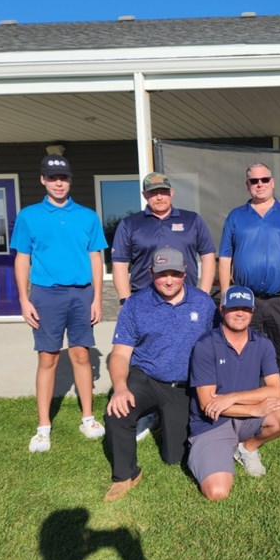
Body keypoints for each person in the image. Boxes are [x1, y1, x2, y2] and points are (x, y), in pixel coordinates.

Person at [102, 248, 217, 502]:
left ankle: (160, 421)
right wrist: (120, 388)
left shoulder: (204, 303)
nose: (168, 280)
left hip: (184, 386)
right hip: (147, 378)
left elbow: (218, 345)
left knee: (174, 456)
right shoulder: (135, 304)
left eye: (175, 274)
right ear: (151, 272)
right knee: (116, 411)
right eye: (162, 273)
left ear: (185, 273)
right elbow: (120, 354)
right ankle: (125, 475)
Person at [12, 154, 108, 453]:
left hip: (81, 295)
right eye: (52, 178)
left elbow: (96, 257)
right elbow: (22, 258)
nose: (58, 183)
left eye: (63, 178)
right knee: (48, 358)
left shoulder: (87, 216)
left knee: (81, 354)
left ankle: (88, 418)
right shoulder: (29, 216)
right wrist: (24, 298)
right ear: (42, 180)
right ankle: (43, 427)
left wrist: (96, 298)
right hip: (46, 295)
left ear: (69, 180)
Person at [111, 171, 217, 440]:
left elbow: (207, 255)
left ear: (171, 193)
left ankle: (188, 405)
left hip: (187, 304)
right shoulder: (131, 224)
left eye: (163, 191)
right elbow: (120, 263)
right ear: (145, 195)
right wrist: (126, 300)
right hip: (147, 302)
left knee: (189, 357)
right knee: (147, 359)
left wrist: (203, 295)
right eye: (152, 192)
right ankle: (147, 408)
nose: (158, 196)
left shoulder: (192, 220)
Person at [187, 285, 280, 501]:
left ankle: (246, 448)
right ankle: (215, 451)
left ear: (252, 312)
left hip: (243, 417)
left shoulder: (263, 344)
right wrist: (255, 408)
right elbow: (207, 405)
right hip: (213, 423)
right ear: (222, 310)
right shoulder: (205, 345)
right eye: (233, 308)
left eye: (245, 309)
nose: (239, 314)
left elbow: (276, 390)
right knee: (217, 492)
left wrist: (233, 397)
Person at [219, 162, 280, 409]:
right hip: (246, 300)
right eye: (254, 181)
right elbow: (225, 257)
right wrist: (226, 295)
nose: (260, 185)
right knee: (246, 352)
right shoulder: (236, 216)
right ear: (247, 185)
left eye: (264, 180)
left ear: (272, 182)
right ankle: (249, 405)